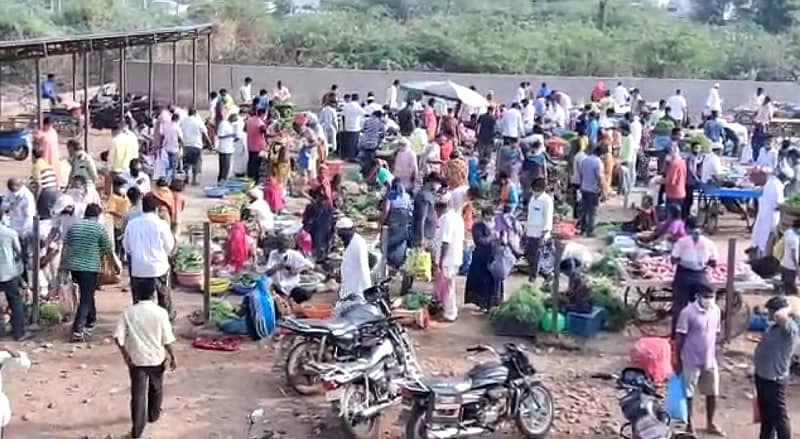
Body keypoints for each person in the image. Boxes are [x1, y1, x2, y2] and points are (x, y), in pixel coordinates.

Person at [113, 279, 177, 439]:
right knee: (156, 388)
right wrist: (173, 356)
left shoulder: (128, 312)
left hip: (136, 359)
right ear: (154, 294)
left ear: (137, 294)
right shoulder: (161, 313)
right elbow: (167, 339)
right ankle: (153, 415)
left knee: (138, 394)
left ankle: (137, 430)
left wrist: (125, 355)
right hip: (157, 358)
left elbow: (118, 338)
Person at [675, 285, 724, 436]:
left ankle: (710, 423)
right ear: (698, 296)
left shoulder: (716, 310)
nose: (709, 299)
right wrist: (677, 358)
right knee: (688, 393)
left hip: (709, 360)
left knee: (712, 392)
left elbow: (715, 333)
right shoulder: (687, 313)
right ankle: (689, 424)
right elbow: (680, 337)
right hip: (690, 358)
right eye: (706, 296)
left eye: (712, 296)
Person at [63, 203, 116, 341]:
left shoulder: (74, 226)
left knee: (87, 293)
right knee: (86, 298)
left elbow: (66, 246)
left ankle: (91, 319)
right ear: (97, 216)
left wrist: (62, 268)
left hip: (74, 267)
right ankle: (77, 329)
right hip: (89, 268)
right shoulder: (98, 228)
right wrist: (114, 266)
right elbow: (107, 249)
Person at [753, 296, 798, 439]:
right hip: (762, 376)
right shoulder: (772, 327)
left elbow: (780, 316)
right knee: (766, 417)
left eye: (771, 311)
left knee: (780, 417)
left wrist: (786, 308)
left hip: (775, 379)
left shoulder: (790, 328)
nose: (770, 314)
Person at [124, 194, 175, 316]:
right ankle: (167, 317)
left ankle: (138, 318)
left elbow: (127, 246)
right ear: (156, 209)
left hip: (138, 268)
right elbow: (169, 246)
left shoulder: (132, 224)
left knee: (139, 298)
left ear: (142, 207)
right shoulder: (161, 224)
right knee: (163, 295)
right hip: (159, 267)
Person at [670, 217, 718, 337]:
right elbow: (714, 263)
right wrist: (701, 261)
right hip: (700, 277)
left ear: (686, 228)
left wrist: (684, 259)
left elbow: (673, 260)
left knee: (680, 306)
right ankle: (699, 333)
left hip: (683, 276)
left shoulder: (681, 242)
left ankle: (676, 335)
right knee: (700, 307)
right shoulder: (709, 243)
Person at [466, 207, 502, 312]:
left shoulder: (497, 224)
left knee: (494, 280)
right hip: (481, 258)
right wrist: (491, 237)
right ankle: (483, 304)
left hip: (494, 257)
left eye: (493, 215)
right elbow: (479, 241)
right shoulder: (478, 226)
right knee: (483, 282)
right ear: (484, 215)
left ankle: (494, 303)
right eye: (489, 215)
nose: (491, 217)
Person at [434, 199, 464, 321]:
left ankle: (450, 313)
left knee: (448, 286)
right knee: (448, 285)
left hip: (448, 258)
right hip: (455, 256)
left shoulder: (446, 219)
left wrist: (441, 260)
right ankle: (449, 310)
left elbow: (446, 241)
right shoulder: (457, 217)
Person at [265, 235, 315, 304]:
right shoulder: (273, 254)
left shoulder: (294, 254)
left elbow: (310, 265)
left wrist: (297, 270)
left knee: (304, 295)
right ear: (277, 244)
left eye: (285, 243)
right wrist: (280, 266)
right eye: (280, 243)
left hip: (291, 287)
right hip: (277, 287)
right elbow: (268, 273)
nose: (283, 246)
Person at [0, 209, 26, 341]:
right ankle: (19, 333)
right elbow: (19, 252)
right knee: (15, 301)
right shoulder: (10, 233)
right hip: (8, 273)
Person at [751, 169, 784, 256]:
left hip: (771, 220)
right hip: (764, 219)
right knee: (760, 242)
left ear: (762, 175)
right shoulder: (767, 185)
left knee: (768, 244)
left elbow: (779, 204)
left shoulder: (775, 185)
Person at [337, 217, 372, 299]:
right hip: (349, 282)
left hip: (358, 286)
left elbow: (363, 267)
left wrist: (367, 288)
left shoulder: (358, 243)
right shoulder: (349, 240)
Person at [525, 177, 553, 282]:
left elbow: (548, 217)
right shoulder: (533, 199)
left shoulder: (547, 200)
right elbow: (530, 215)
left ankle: (533, 277)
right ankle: (547, 274)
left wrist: (545, 233)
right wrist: (525, 229)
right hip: (530, 232)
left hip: (540, 233)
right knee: (530, 256)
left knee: (537, 257)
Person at [381, 180, 413, 269]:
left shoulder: (392, 195)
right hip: (403, 224)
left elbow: (386, 211)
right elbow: (410, 210)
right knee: (400, 243)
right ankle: (399, 262)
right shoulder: (407, 196)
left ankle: (390, 262)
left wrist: (381, 221)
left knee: (390, 243)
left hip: (393, 224)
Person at [302, 187, 335, 262]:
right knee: (322, 245)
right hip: (325, 230)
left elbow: (305, 220)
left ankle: (316, 259)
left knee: (316, 245)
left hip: (315, 231)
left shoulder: (311, 207)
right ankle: (321, 258)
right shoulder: (329, 207)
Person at [578, 147, 604, 236]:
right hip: (593, 190)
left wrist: (581, 185)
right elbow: (599, 177)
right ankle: (590, 231)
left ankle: (582, 230)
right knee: (593, 211)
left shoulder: (584, 160)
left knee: (584, 211)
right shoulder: (598, 162)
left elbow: (581, 174)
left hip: (584, 188)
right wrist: (602, 189)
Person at [179, 109, 209, 185]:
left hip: (186, 144)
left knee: (186, 162)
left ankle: (186, 177)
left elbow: (179, 132)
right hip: (196, 145)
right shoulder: (198, 121)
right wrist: (210, 144)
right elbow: (205, 133)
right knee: (196, 162)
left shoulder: (183, 121)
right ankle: (194, 180)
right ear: (195, 113)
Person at [106, 177, 131, 262]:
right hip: (116, 225)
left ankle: (122, 258)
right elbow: (111, 210)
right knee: (117, 244)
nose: (122, 188)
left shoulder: (125, 197)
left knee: (124, 243)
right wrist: (121, 215)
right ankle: (116, 261)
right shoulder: (113, 197)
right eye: (120, 186)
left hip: (125, 224)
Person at [30, 147, 59, 220]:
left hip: (46, 192)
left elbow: (38, 185)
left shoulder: (36, 166)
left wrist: (35, 199)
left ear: (33, 156)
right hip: (54, 191)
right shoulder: (47, 164)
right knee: (50, 214)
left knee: (43, 216)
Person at [358, 110, 386, 176]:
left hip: (363, 142)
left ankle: (362, 171)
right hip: (372, 144)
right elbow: (383, 134)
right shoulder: (380, 123)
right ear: (379, 116)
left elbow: (363, 129)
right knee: (369, 158)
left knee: (363, 157)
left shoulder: (367, 121)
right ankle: (367, 174)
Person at [341, 95, 367, 161]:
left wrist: (344, 126)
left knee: (348, 142)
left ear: (351, 98)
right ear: (358, 99)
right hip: (355, 128)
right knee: (354, 143)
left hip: (347, 126)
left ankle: (346, 156)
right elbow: (365, 114)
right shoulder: (358, 107)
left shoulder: (346, 106)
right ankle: (352, 157)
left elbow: (342, 116)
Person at [160, 113, 183, 180]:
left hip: (166, 148)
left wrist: (162, 145)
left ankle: (166, 179)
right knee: (173, 166)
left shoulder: (166, 126)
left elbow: (162, 136)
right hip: (174, 149)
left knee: (167, 165)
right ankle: (172, 180)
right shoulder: (177, 128)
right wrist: (182, 146)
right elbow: (181, 139)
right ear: (177, 119)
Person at [780, 219, 800, 295]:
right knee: (791, 290)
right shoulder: (794, 240)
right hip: (791, 268)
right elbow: (794, 257)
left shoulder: (788, 232)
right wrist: (798, 271)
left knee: (785, 284)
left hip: (784, 264)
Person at [665, 144, 687, 212]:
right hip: (681, 192)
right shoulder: (682, 162)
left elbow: (671, 181)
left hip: (673, 193)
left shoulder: (674, 164)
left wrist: (658, 181)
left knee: (671, 216)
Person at [216, 113, 238, 183]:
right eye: (235, 119)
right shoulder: (224, 124)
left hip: (228, 149)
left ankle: (220, 184)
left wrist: (234, 138)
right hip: (224, 150)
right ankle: (221, 184)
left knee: (224, 169)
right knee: (225, 169)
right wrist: (231, 135)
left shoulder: (229, 125)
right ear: (231, 118)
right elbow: (220, 136)